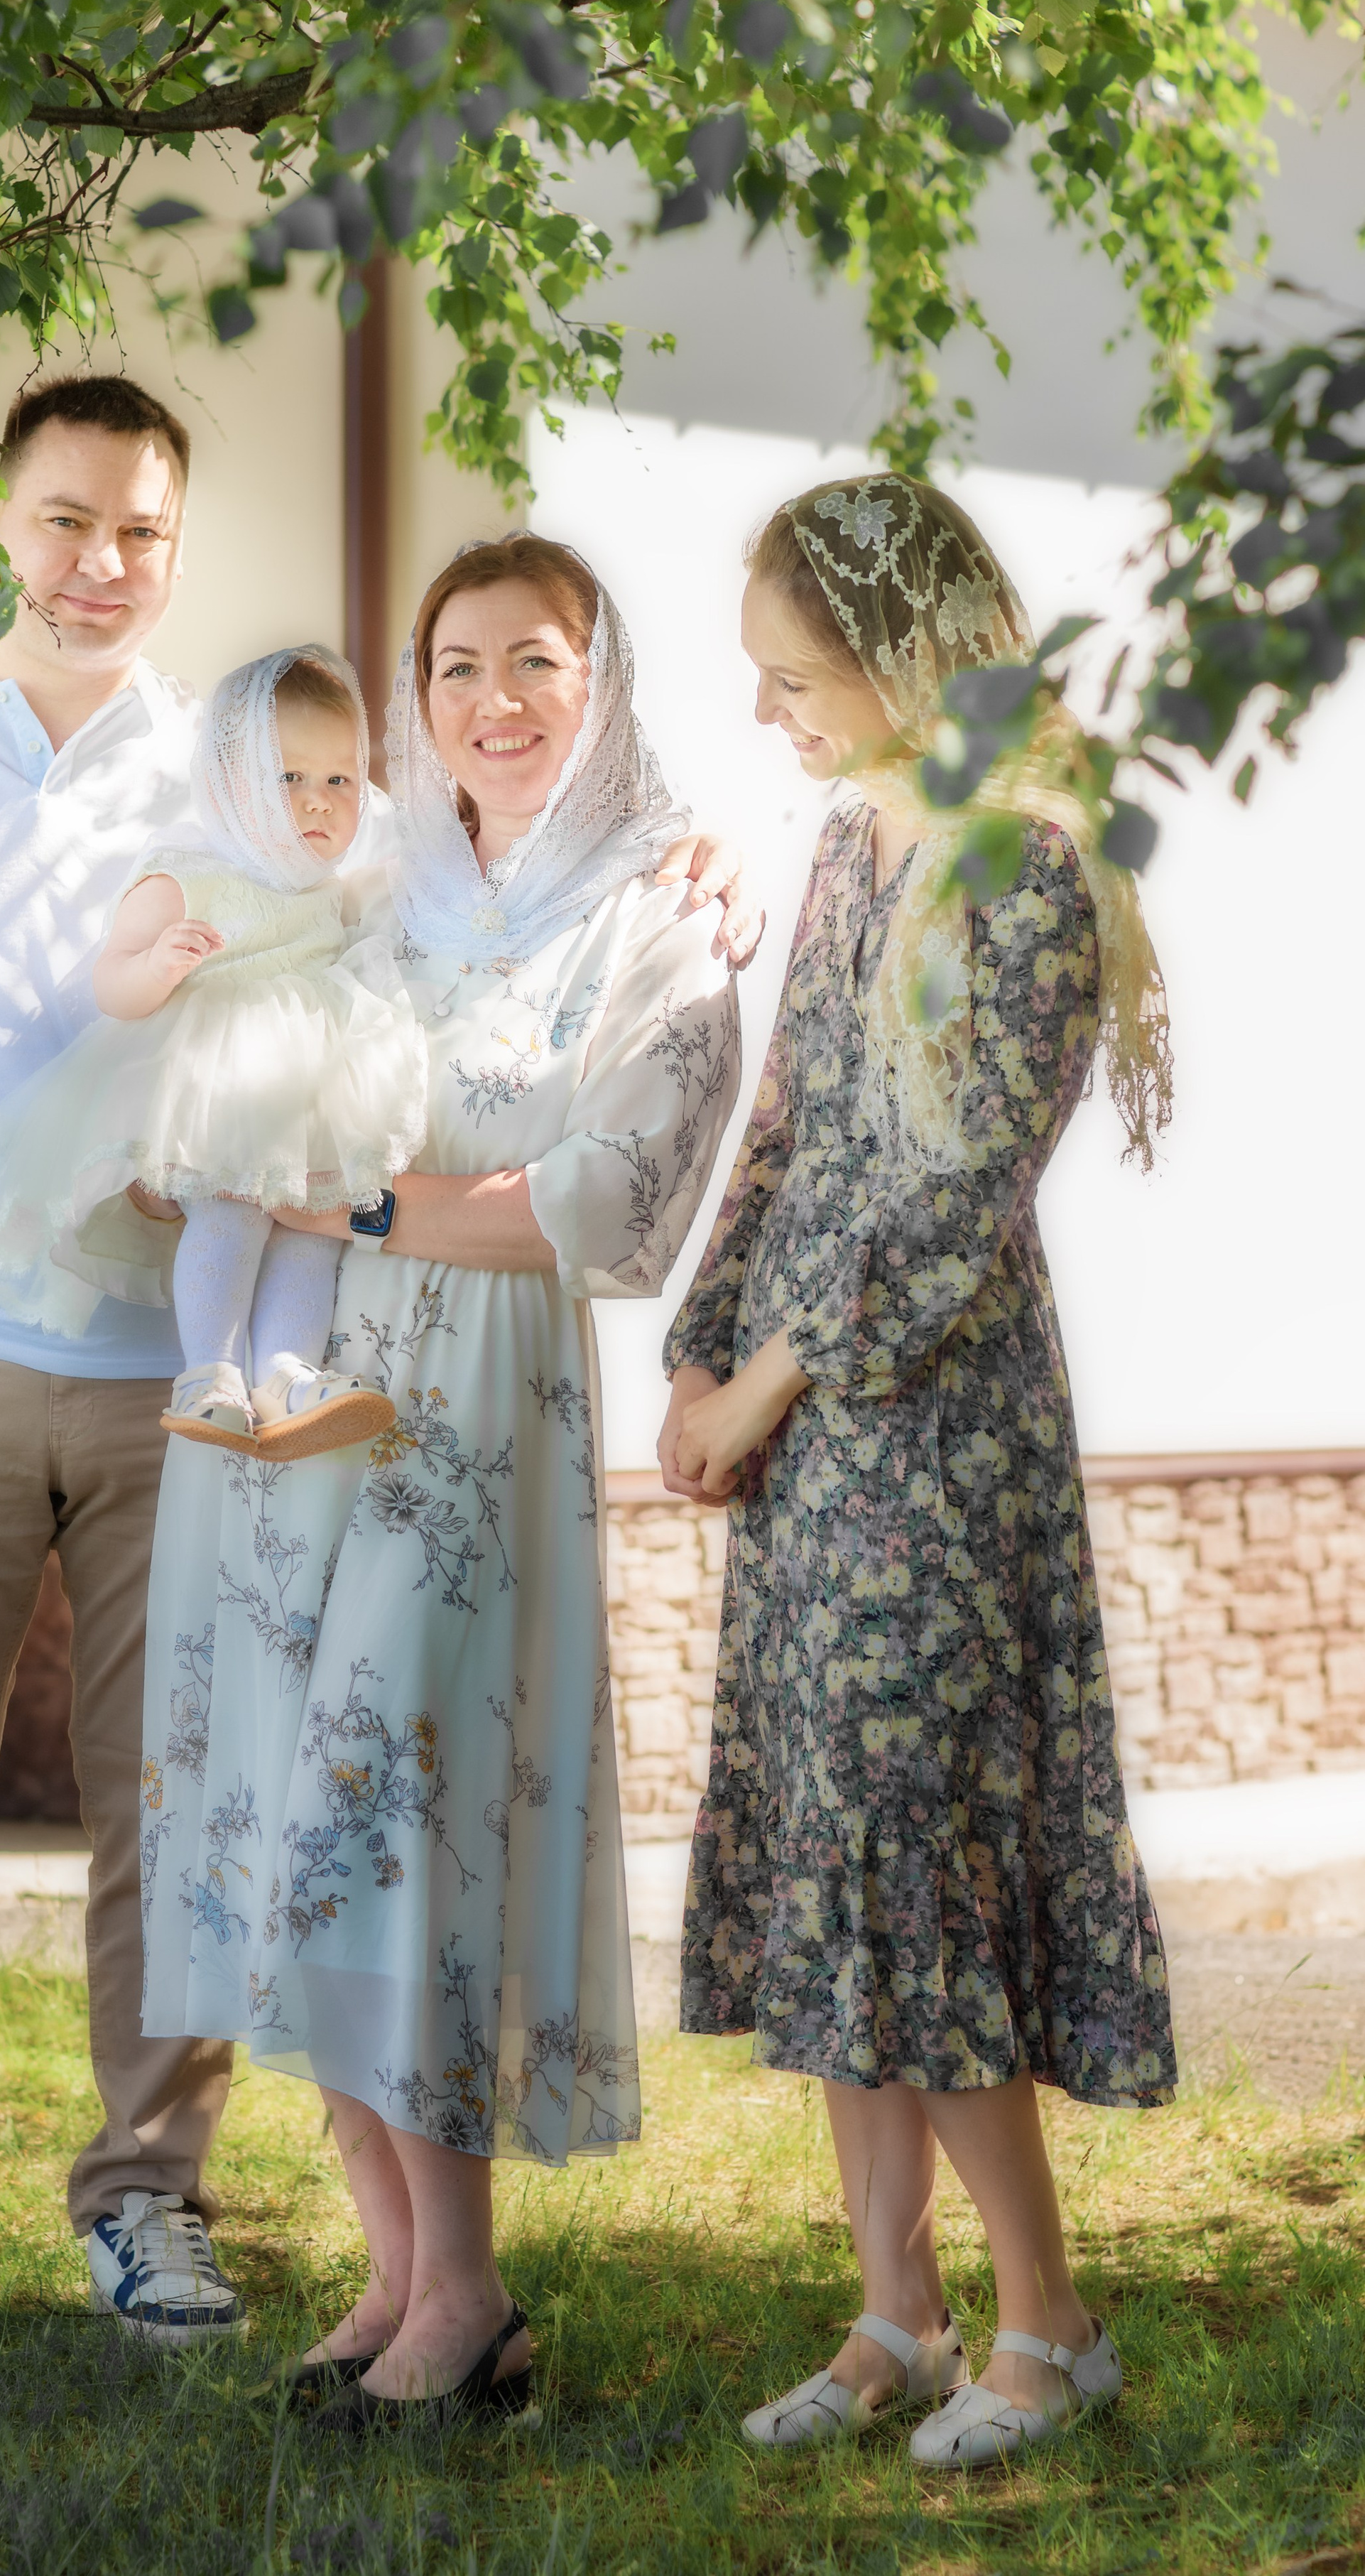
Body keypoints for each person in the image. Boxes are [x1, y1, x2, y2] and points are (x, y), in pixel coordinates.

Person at [0, 381, 757, 2365]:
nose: (103, 564)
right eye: (65, 520)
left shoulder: (245, 757)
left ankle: (150, 2201)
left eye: (143, 532)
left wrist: (712, 875)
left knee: (181, 1808)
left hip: (192, 1376)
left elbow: (477, 894)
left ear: (180, 548)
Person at [137, 534, 743, 2430]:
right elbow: (223, 992)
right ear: (418, 691)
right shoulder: (372, 879)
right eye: (460, 663)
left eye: (539, 660)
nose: (497, 697)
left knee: (392, 1820)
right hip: (300, 1404)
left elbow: (622, 1199)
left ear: (602, 682)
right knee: (277, 1809)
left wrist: (372, 1200)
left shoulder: (660, 910)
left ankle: (467, 2283)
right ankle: (393, 2266)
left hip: (470, 1421)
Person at [658, 475, 1178, 2470]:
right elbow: (783, 1121)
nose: (775, 710)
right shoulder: (848, 844)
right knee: (830, 1853)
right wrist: (699, 1351)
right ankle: (893, 2313)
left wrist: (770, 1385)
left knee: (910, 1846)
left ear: (903, 656)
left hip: (929, 1432)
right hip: (797, 1424)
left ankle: (1049, 2322)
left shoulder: (1027, 862)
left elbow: (962, 1196)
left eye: (798, 677)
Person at [0, 645, 425, 1459]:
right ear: (228, 781)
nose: (317, 804)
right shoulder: (187, 871)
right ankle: (208, 1371)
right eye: (288, 779)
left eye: (339, 781)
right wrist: (159, 963)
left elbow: (400, 890)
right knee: (231, 1213)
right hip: (218, 1084)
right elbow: (111, 984)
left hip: (306, 1095)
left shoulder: (330, 887)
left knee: (313, 1230)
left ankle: (286, 1372)